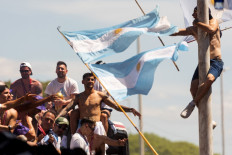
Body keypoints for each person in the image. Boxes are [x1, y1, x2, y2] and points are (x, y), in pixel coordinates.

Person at [59, 73, 140, 153]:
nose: (90, 81)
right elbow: (67, 108)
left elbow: (116, 106)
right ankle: (70, 138)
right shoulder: (79, 97)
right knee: (80, 148)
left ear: (94, 81)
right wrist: (56, 118)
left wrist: (131, 109)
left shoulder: (100, 95)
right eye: (88, 79)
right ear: (83, 81)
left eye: (92, 79)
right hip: (84, 127)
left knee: (100, 151)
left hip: (97, 126)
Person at [171, 7, 224, 120]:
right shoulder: (194, 29)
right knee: (193, 88)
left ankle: (192, 103)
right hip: (203, 62)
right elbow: (177, 32)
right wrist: (160, 30)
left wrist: (198, 23)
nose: (193, 15)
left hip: (215, 61)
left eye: (195, 13)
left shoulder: (213, 22)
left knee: (209, 79)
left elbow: (210, 29)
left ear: (202, 14)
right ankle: (207, 118)